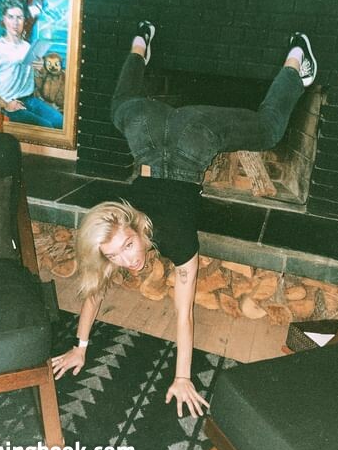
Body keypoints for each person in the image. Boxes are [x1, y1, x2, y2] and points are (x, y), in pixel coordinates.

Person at [52, 21, 317, 418]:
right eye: (115, 254)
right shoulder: (114, 226)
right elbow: (95, 288)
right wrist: (81, 347)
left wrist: (182, 377)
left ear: (135, 225)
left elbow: (183, 313)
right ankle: (139, 43)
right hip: (145, 126)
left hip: (195, 137)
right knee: (120, 107)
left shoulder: (175, 239)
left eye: (128, 246)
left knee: (268, 131)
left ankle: (297, 60)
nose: (128, 260)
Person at [0, 0, 64, 129]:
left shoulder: (28, 47)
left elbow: (35, 78)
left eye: (19, 17)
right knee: (46, 126)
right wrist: (5, 105)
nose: (15, 22)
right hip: (10, 102)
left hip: (30, 99)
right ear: (4, 20)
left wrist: (40, 69)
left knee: (60, 121)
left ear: (24, 20)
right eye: (11, 17)